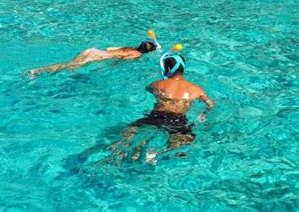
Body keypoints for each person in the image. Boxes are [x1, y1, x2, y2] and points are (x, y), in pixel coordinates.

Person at [111, 53, 214, 164]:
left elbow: (148, 90)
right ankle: (156, 155)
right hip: (178, 120)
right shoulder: (197, 89)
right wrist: (203, 114)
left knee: (130, 132)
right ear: (183, 68)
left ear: (168, 68)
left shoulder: (157, 84)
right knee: (182, 147)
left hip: (156, 116)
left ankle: (125, 152)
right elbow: (210, 105)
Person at [28, 41, 157, 78]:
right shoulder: (137, 55)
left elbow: (109, 48)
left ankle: (39, 71)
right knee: (67, 67)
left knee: (69, 65)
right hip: (94, 56)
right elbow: (121, 61)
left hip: (92, 50)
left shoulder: (128, 47)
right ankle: (37, 71)